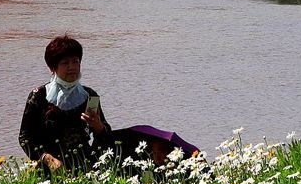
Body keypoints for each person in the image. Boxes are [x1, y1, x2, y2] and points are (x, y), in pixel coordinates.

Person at [19, 35, 197, 175]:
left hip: (83, 164)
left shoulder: (89, 96)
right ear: (53, 68)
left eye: (76, 62)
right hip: (48, 166)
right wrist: (47, 158)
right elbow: (25, 137)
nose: (72, 67)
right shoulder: (39, 96)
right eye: (65, 63)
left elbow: (104, 136)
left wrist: (98, 127)